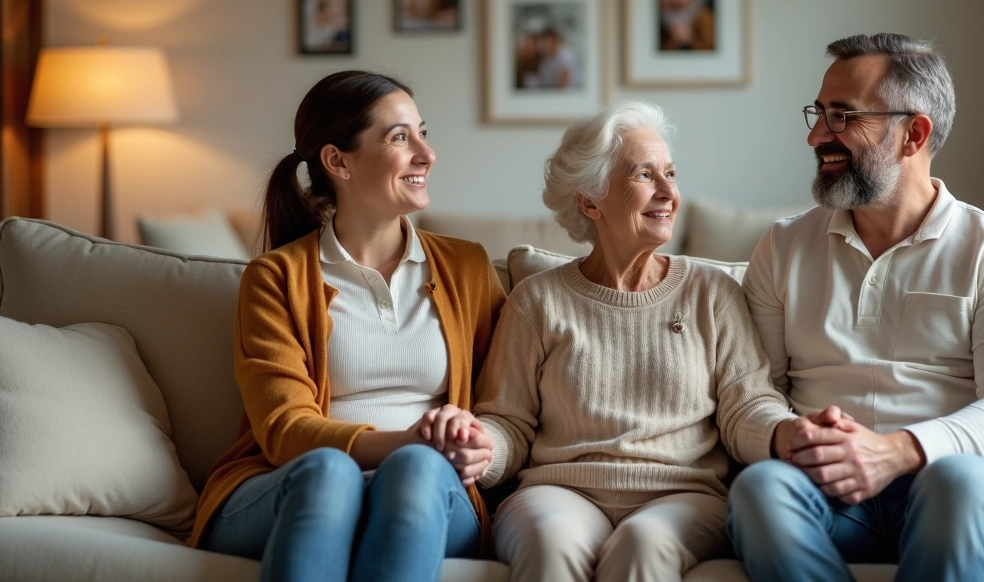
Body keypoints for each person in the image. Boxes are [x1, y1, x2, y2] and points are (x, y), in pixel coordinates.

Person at [727, 33, 984, 582]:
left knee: (956, 483)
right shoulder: (782, 247)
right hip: (828, 493)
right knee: (760, 487)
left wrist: (899, 452)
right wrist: (789, 436)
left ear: (913, 134)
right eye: (818, 113)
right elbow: (750, 395)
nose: (816, 135)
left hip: (967, 486)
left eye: (842, 116)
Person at [186, 71, 506, 582]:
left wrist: (473, 443)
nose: (427, 154)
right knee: (330, 472)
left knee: (417, 470)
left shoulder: (467, 268)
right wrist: (409, 440)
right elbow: (285, 431)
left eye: (423, 133)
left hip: (430, 488)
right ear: (337, 161)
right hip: (294, 484)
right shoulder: (276, 278)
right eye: (400, 137)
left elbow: (507, 403)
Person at [468, 99, 798, 582]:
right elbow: (508, 422)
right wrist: (479, 447)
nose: (668, 191)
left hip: (682, 494)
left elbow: (746, 405)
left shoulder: (712, 293)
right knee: (547, 542)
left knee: (642, 546)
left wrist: (786, 433)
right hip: (560, 491)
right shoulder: (536, 300)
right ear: (590, 202)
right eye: (645, 175)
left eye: (671, 173)